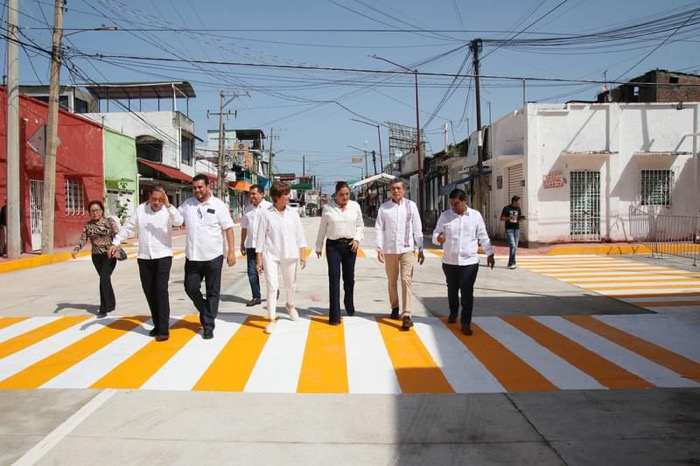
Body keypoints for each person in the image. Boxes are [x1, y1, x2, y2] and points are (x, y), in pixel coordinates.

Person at [109, 186, 183, 342]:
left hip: (163, 256)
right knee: (149, 292)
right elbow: (128, 227)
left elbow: (179, 221)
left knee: (161, 291)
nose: (157, 202)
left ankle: (163, 329)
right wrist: (116, 243)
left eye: (160, 200)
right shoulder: (141, 209)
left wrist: (169, 205)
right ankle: (157, 324)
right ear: (149, 197)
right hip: (144, 257)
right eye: (154, 199)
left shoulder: (167, 211)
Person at [179, 174, 236, 340]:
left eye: (200, 187)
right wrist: (164, 206)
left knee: (213, 291)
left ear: (207, 187)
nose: (197, 190)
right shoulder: (187, 204)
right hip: (193, 256)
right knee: (190, 288)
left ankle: (208, 325)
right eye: (194, 188)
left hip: (213, 256)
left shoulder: (218, 205)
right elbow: (175, 219)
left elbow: (229, 229)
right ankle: (206, 311)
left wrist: (231, 251)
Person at [433, 189, 495, 335]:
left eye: (456, 204)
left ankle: (466, 322)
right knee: (452, 290)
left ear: (465, 201)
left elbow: (483, 236)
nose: (453, 207)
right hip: (450, 261)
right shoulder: (445, 216)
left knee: (467, 292)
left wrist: (490, 253)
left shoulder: (475, 216)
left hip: (470, 262)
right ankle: (453, 312)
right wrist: (438, 239)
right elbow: (436, 234)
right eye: (451, 204)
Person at [255, 181, 307, 334]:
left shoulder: (293, 213)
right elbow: (260, 238)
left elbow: (300, 235)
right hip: (270, 254)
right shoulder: (266, 214)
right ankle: (271, 319)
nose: (288, 196)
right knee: (272, 286)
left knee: (291, 285)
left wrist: (303, 254)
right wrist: (259, 259)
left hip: (290, 254)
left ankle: (289, 305)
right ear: (277, 197)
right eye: (286, 194)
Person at [375, 179, 425, 330]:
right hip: (390, 249)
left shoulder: (411, 206)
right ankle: (395, 306)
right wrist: (379, 247)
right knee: (392, 280)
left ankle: (407, 314)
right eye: (393, 188)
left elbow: (417, 227)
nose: (396, 191)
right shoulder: (384, 208)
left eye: (398, 188)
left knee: (406, 280)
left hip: (407, 249)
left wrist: (421, 248)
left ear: (404, 191)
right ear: (390, 191)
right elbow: (378, 228)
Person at [315, 181, 364, 325]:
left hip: (350, 246)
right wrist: (318, 246)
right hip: (333, 247)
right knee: (334, 279)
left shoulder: (355, 206)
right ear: (335, 195)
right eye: (341, 195)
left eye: (347, 194)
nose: (345, 197)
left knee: (349, 279)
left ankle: (348, 303)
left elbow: (360, 225)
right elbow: (322, 228)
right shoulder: (327, 208)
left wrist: (357, 239)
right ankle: (334, 316)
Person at [72, 200, 120, 318]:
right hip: (96, 256)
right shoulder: (88, 225)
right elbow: (83, 239)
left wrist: (117, 250)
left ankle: (103, 308)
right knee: (105, 279)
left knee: (103, 278)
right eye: (92, 211)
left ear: (102, 211)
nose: (95, 213)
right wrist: (76, 249)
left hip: (109, 254)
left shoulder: (109, 222)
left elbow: (117, 236)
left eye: (97, 210)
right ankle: (111, 303)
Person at [240, 184, 272, 307]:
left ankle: (273, 290)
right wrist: (242, 243)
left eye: (254, 193)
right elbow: (244, 227)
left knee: (268, 270)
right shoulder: (247, 209)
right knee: (252, 272)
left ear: (262, 194)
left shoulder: (269, 207)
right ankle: (256, 296)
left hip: (266, 245)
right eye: (250, 193)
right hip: (251, 245)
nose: (251, 196)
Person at [500, 195, 526, 269]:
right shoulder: (506, 208)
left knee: (515, 247)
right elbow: (501, 218)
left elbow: (519, 218)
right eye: (518, 201)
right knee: (513, 245)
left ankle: (511, 263)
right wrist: (509, 218)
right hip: (509, 229)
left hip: (516, 229)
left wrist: (521, 218)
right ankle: (512, 263)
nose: (519, 203)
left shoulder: (518, 209)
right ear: (514, 201)